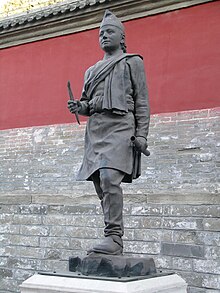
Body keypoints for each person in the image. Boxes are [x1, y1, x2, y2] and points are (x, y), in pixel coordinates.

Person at [67, 10, 150, 255]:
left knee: (108, 176)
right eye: (101, 33)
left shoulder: (133, 62)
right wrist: (78, 107)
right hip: (96, 130)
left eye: (110, 31)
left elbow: (142, 101)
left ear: (121, 37)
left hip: (121, 127)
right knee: (98, 181)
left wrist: (143, 134)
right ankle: (111, 234)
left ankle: (114, 237)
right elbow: (86, 103)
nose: (104, 36)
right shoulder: (91, 71)